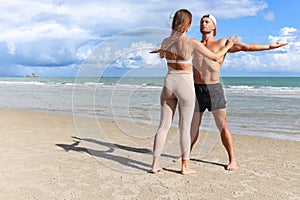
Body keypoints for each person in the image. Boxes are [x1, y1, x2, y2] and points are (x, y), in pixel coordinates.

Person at [178, 14, 288, 171]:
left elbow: (246, 47)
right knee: (193, 126)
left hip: (214, 89)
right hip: (196, 88)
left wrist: (269, 46)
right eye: (202, 21)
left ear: (214, 26)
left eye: (207, 21)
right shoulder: (195, 44)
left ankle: (232, 159)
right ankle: (185, 156)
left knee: (222, 126)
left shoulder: (223, 43)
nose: (203, 23)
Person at [150, 9, 237, 175]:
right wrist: (229, 45)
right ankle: (185, 167)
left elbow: (162, 56)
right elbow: (214, 57)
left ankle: (155, 165)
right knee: (184, 127)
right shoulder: (191, 42)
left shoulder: (166, 41)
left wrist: (161, 49)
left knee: (163, 126)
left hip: (168, 82)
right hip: (184, 84)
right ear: (188, 25)